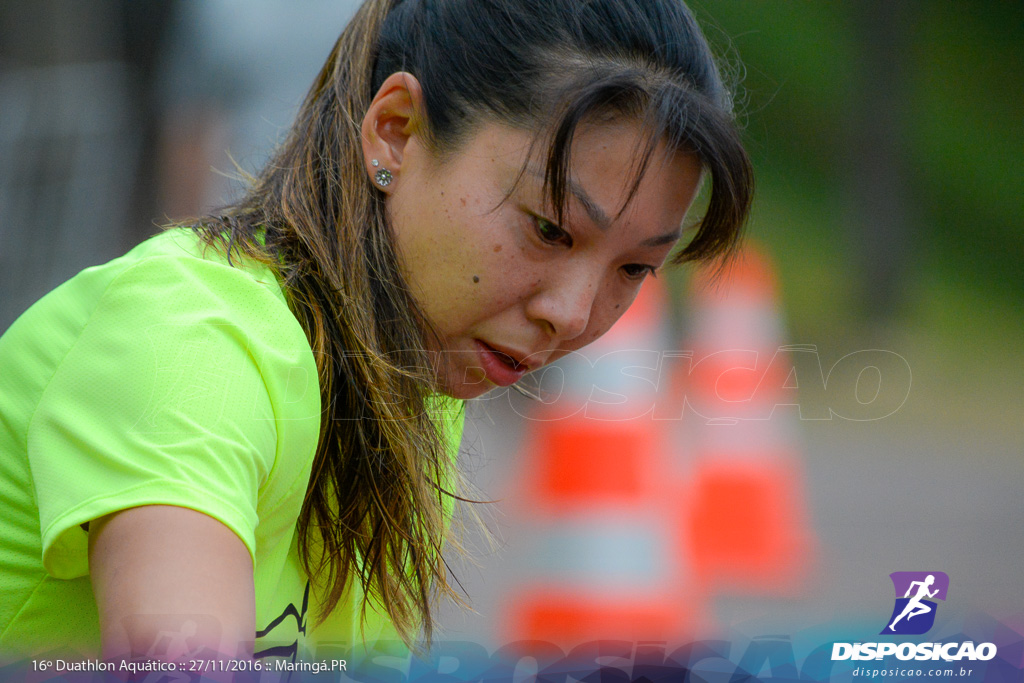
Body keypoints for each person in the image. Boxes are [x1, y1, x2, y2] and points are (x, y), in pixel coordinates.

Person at [0, 0, 752, 665]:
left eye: (633, 271)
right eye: (549, 229)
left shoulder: (410, 365)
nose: (575, 315)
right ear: (394, 132)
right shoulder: (193, 347)